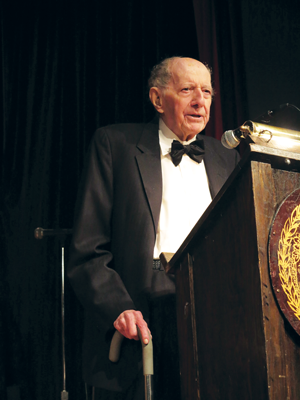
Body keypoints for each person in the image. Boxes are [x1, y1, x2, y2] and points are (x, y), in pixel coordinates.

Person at [67, 56, 240, 400]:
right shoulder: (115, 144)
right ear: (158, 99)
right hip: (144, 302)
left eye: (206, 92)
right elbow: (88, 249)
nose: (199, 101)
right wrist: (118, 307)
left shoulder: (227, 157)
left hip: (215, 308)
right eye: (187, 89)